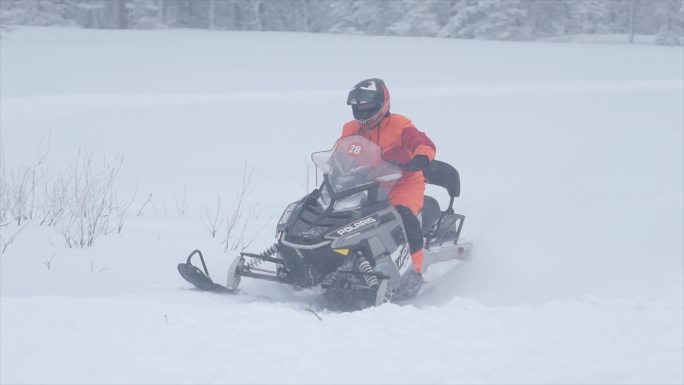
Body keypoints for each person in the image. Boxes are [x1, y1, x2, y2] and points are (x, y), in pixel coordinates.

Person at [339, 78, 436, 277]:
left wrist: (421, 157)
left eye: (367, 106)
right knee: (342, 218)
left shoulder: (400, 124)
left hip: (403, 181)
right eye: (358, 107)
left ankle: (414, 272)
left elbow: (421, 141)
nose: (363, 111)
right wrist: (337, 168)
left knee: (404, 219)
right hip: (367, 184)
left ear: (381, 104)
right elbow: (341, 154)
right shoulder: (350, 128)